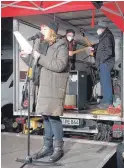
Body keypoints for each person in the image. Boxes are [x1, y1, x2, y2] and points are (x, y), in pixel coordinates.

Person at [20, 22, 69, 163]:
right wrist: (26, 56)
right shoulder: (43, 44)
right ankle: (47, 147)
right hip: (43, 84)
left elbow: (59, 65)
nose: (41, 30)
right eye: (41, 28)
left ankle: (58, 148)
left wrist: (38, 56)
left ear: (52, 31)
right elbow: (37, 62)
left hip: (54, 85)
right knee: (46, 117)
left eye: (45, 28)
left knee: (53, 117)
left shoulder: (62, 44)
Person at [91, 21, 115, 110]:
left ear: (102, 29)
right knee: (104, 83)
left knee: (106, 83)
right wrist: (94, 47)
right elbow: (102, 47)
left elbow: (108, 51)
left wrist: (101, 61)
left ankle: (108, 102)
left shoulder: (107, 36)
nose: (97, 30)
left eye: (98, 28)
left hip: (105, 63)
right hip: (104, 63)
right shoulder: (105, 36)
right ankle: (105, 100)